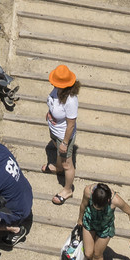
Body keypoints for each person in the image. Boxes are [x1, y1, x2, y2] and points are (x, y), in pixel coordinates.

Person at [45, 62, 79, 201]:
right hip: (54, 130)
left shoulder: (70, 100)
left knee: (67, 164)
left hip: (63, 135)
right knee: (57, 150)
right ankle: (58, 168)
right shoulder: (57, 90)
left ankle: (68, 189)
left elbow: (70, 125)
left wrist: (65, 143)